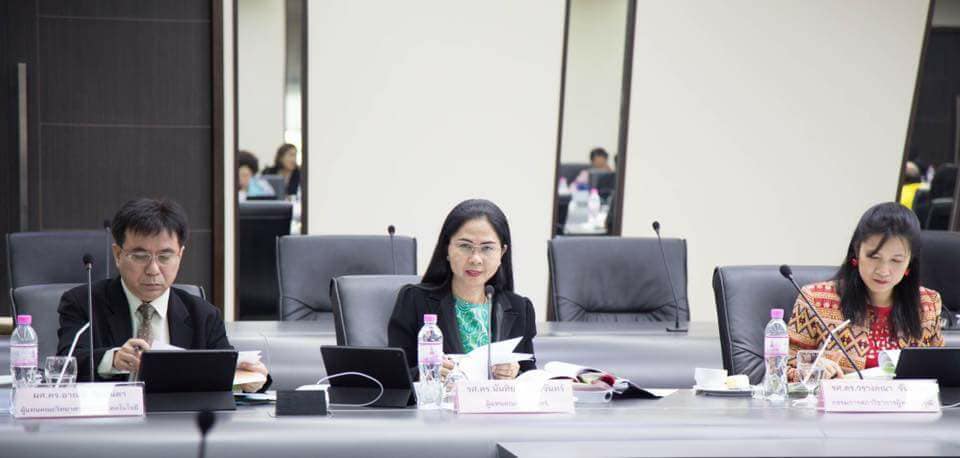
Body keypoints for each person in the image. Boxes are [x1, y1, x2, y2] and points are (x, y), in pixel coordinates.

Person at [57, 198, 271, 391]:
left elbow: (225, 368)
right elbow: (66, 363)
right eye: (140, 256)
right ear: (118, 254)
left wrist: (252, 379)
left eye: (165, 257)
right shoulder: (84, 303)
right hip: (110, 419)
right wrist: (113, 359)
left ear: (180, 255)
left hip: (180, 419)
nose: (153, 269)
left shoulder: (204, 315)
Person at [786, 202, 944, 382]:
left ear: (910, 262)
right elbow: (781, 369)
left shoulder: (928, 304)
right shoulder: (815, 300)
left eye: (896, 260)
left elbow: (940, 372)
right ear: (857, 252)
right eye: (874, 257)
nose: (883, 270)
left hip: (904, 401)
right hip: (838, 400)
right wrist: (810, 369)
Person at [388, 199, 537, 380]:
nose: (475, 259)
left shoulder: (520, 308)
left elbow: (531, 377)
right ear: (447, 249)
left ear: (502, 253)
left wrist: (515, 373)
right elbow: (393, 376)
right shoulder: (414, 300)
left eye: (487, 248)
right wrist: (427, 373)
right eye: (465, 246)